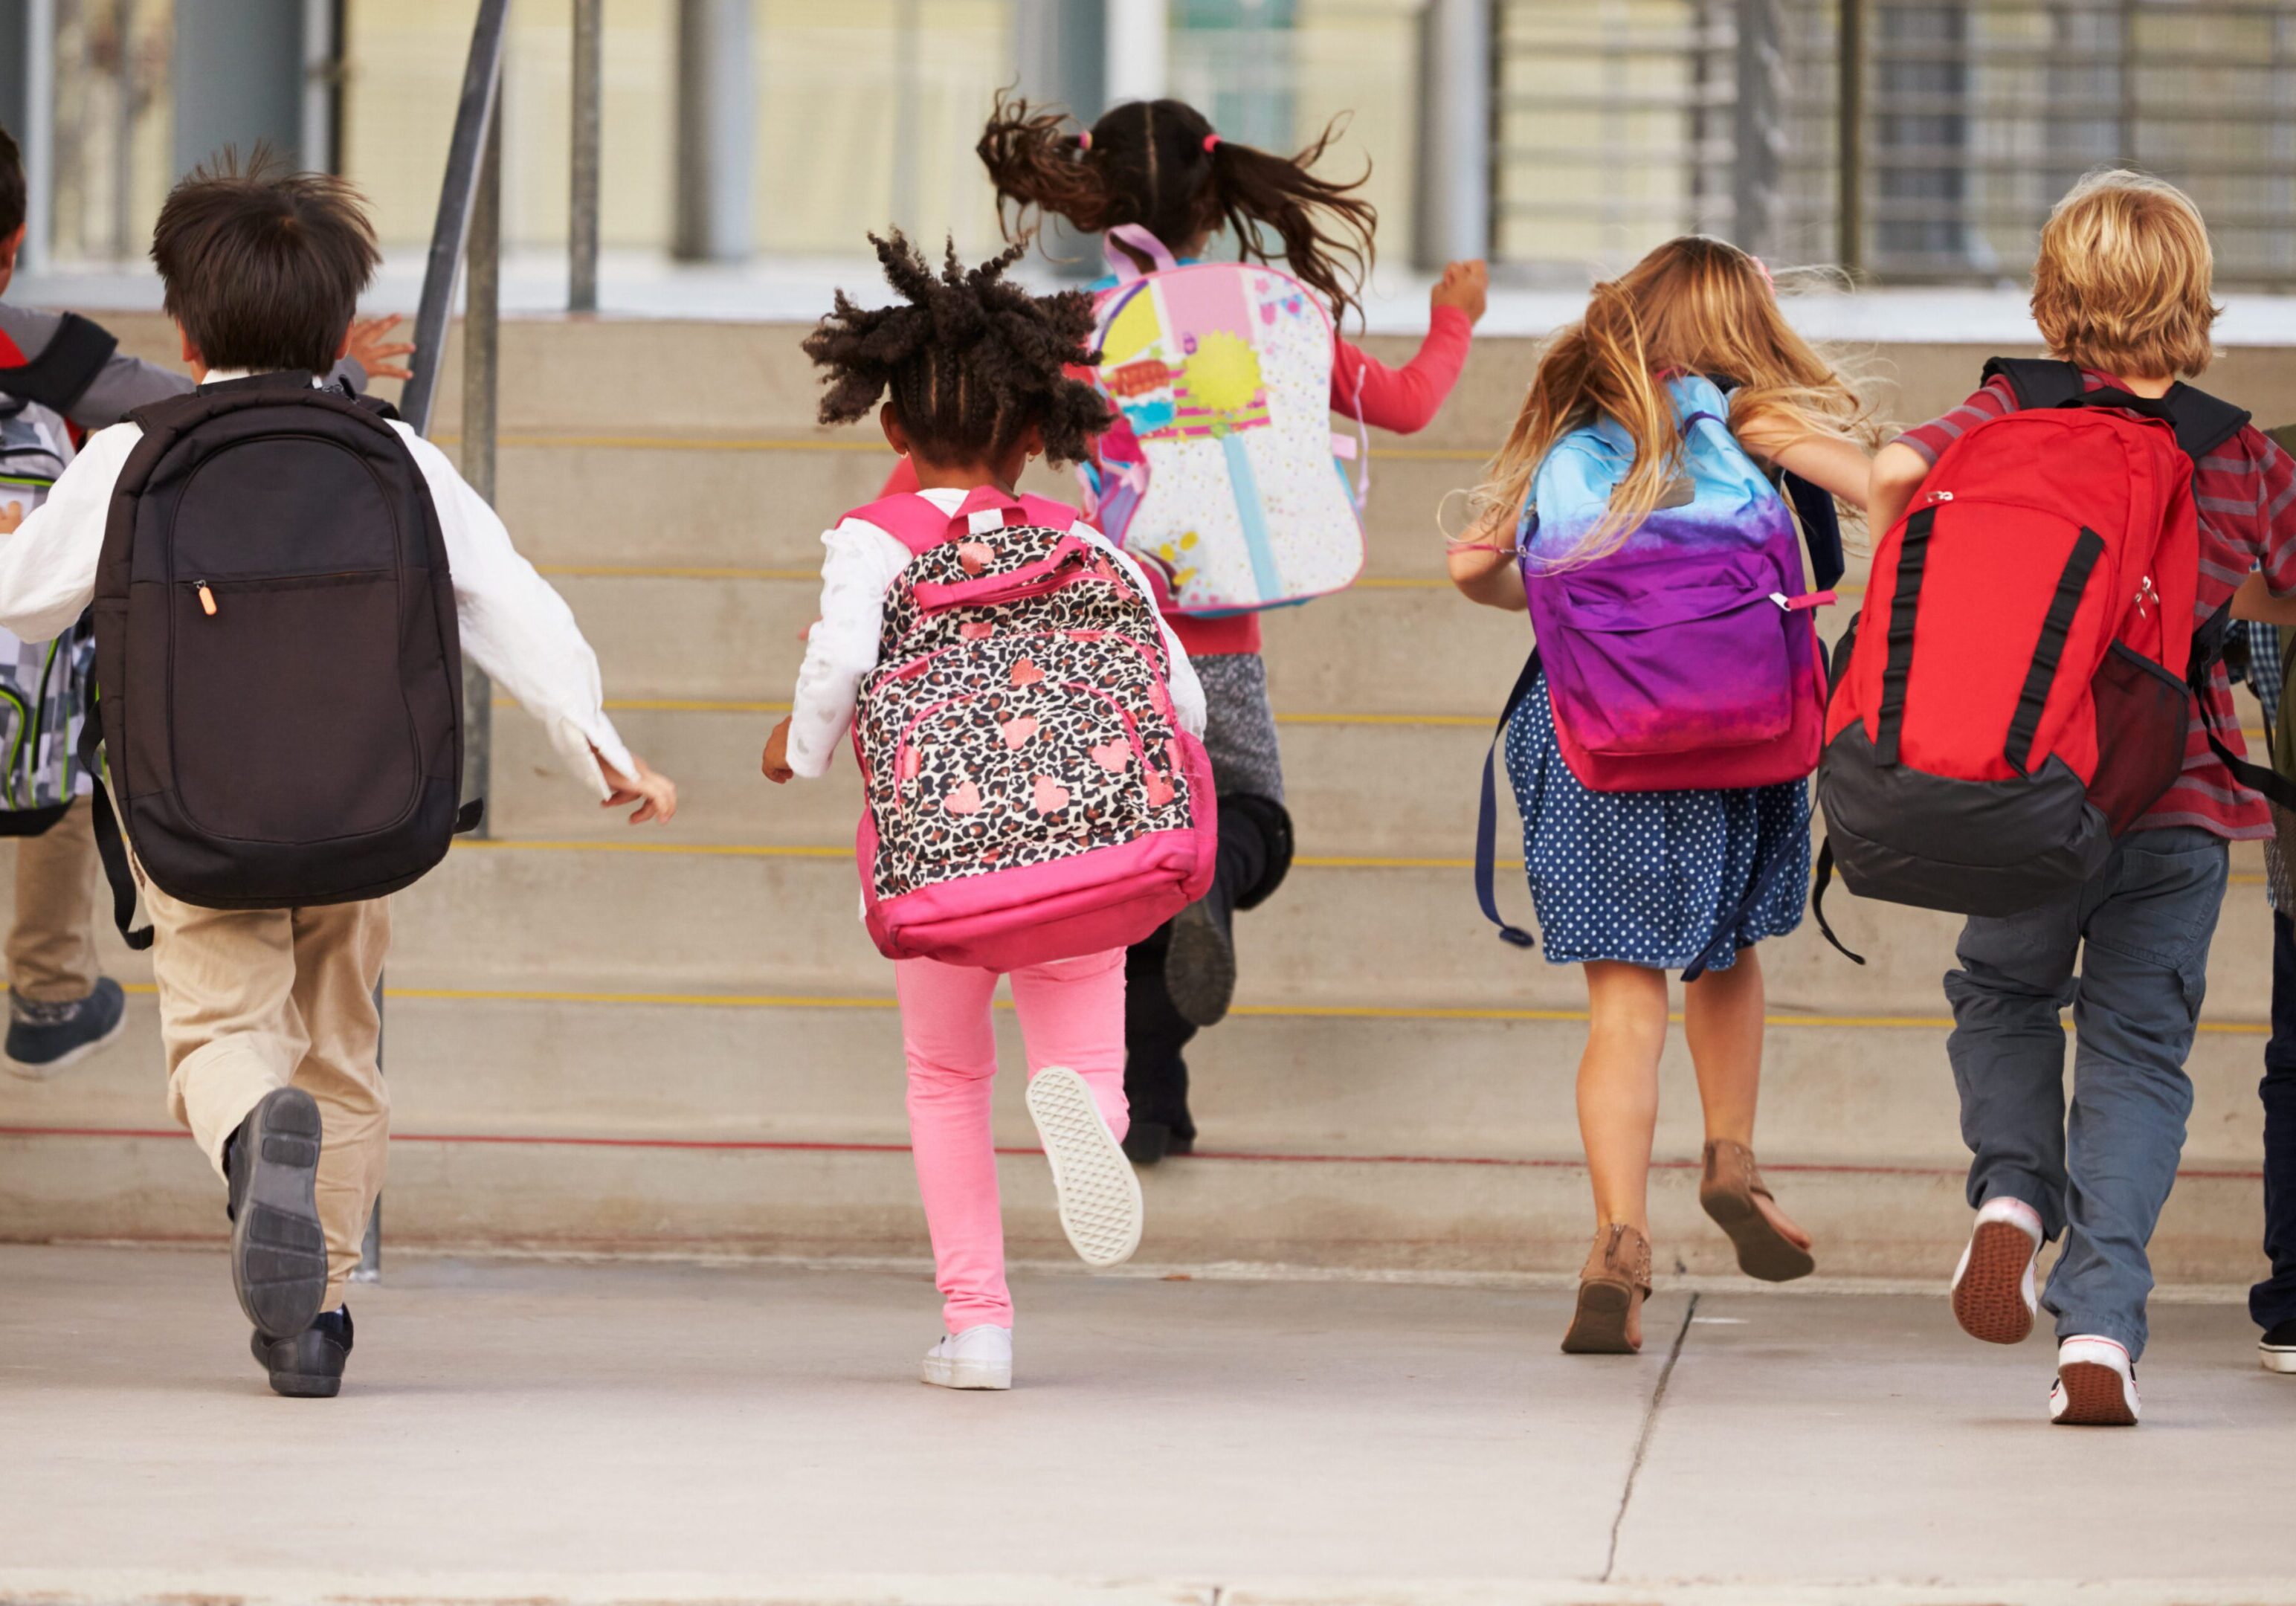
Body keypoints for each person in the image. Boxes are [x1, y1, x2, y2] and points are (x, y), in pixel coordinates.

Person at [0, 154, 676, 1397]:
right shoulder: (395, 456)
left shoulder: (133, 458)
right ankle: (309, 1325)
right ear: (336, 323)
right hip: (363, 805)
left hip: (191, 808)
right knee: (344, 1046)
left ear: (186, 327)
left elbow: (25, 611)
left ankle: (256, 1134)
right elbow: (506, 600)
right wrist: (595, 742)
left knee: (221, 1031)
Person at [971, 92, 1488, 1162]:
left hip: (1102, 640)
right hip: (1223, 644)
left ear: (1090, 194)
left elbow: (978, 451)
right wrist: (1455, 321)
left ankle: (1149, 1109)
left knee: (1125, 866)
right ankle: (1221, 876)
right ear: (1216, 197)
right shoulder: (1273, 310)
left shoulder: (1072, 335)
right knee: (1251, 819)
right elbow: (1405, 405)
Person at [1869, 171, 2296, 1425]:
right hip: (2178, 799)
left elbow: (1894, 476)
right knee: (2136, 1055)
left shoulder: (2005, 410)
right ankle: (2098, 1333)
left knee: (2002, 992)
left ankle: (2010, 1194)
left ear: (2056, 293)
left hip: (2022, 787)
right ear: (2191, 296)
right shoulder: (2242, 454)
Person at [761, 233, 1207, 1391]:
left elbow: (842, 660)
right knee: (1082, 1049)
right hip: (1087, 858)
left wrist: (798, 753)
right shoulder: (1085, 540)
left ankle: (979, 1329)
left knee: (946, 1078)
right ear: (1033, 434)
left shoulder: (875, 537)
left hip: (943, 863)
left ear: (892, 430)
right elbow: (1185, 703)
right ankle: (1093, 1120)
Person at [1446, 236, 1876, 1354]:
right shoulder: (1755, 422)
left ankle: (1618, 1242)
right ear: (1743, 327)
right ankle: (1732, 1159)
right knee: (1727, 952)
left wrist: (1558, 599)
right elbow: (1884, 486)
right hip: (1744, 732)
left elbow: (1473, 569)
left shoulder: (1573, 425)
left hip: (1599, 739)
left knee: (1623, 1006)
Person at [0, 122, 410, 1077]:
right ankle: (48, 992)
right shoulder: (45, 357)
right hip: (32, 695)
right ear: (14, 247)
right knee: (73, 733)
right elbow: (220, 414)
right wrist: (337, 372)